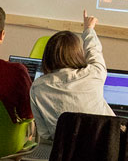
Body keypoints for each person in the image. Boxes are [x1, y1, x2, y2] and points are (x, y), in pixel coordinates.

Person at [29, 9, 112, 143]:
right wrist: (88, 29)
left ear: (47, 56)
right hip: (106, 152)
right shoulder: (94, 74)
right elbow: (94, 51)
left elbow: (44, 133)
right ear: (78, 54)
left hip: (66, 158)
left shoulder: (38, 88)